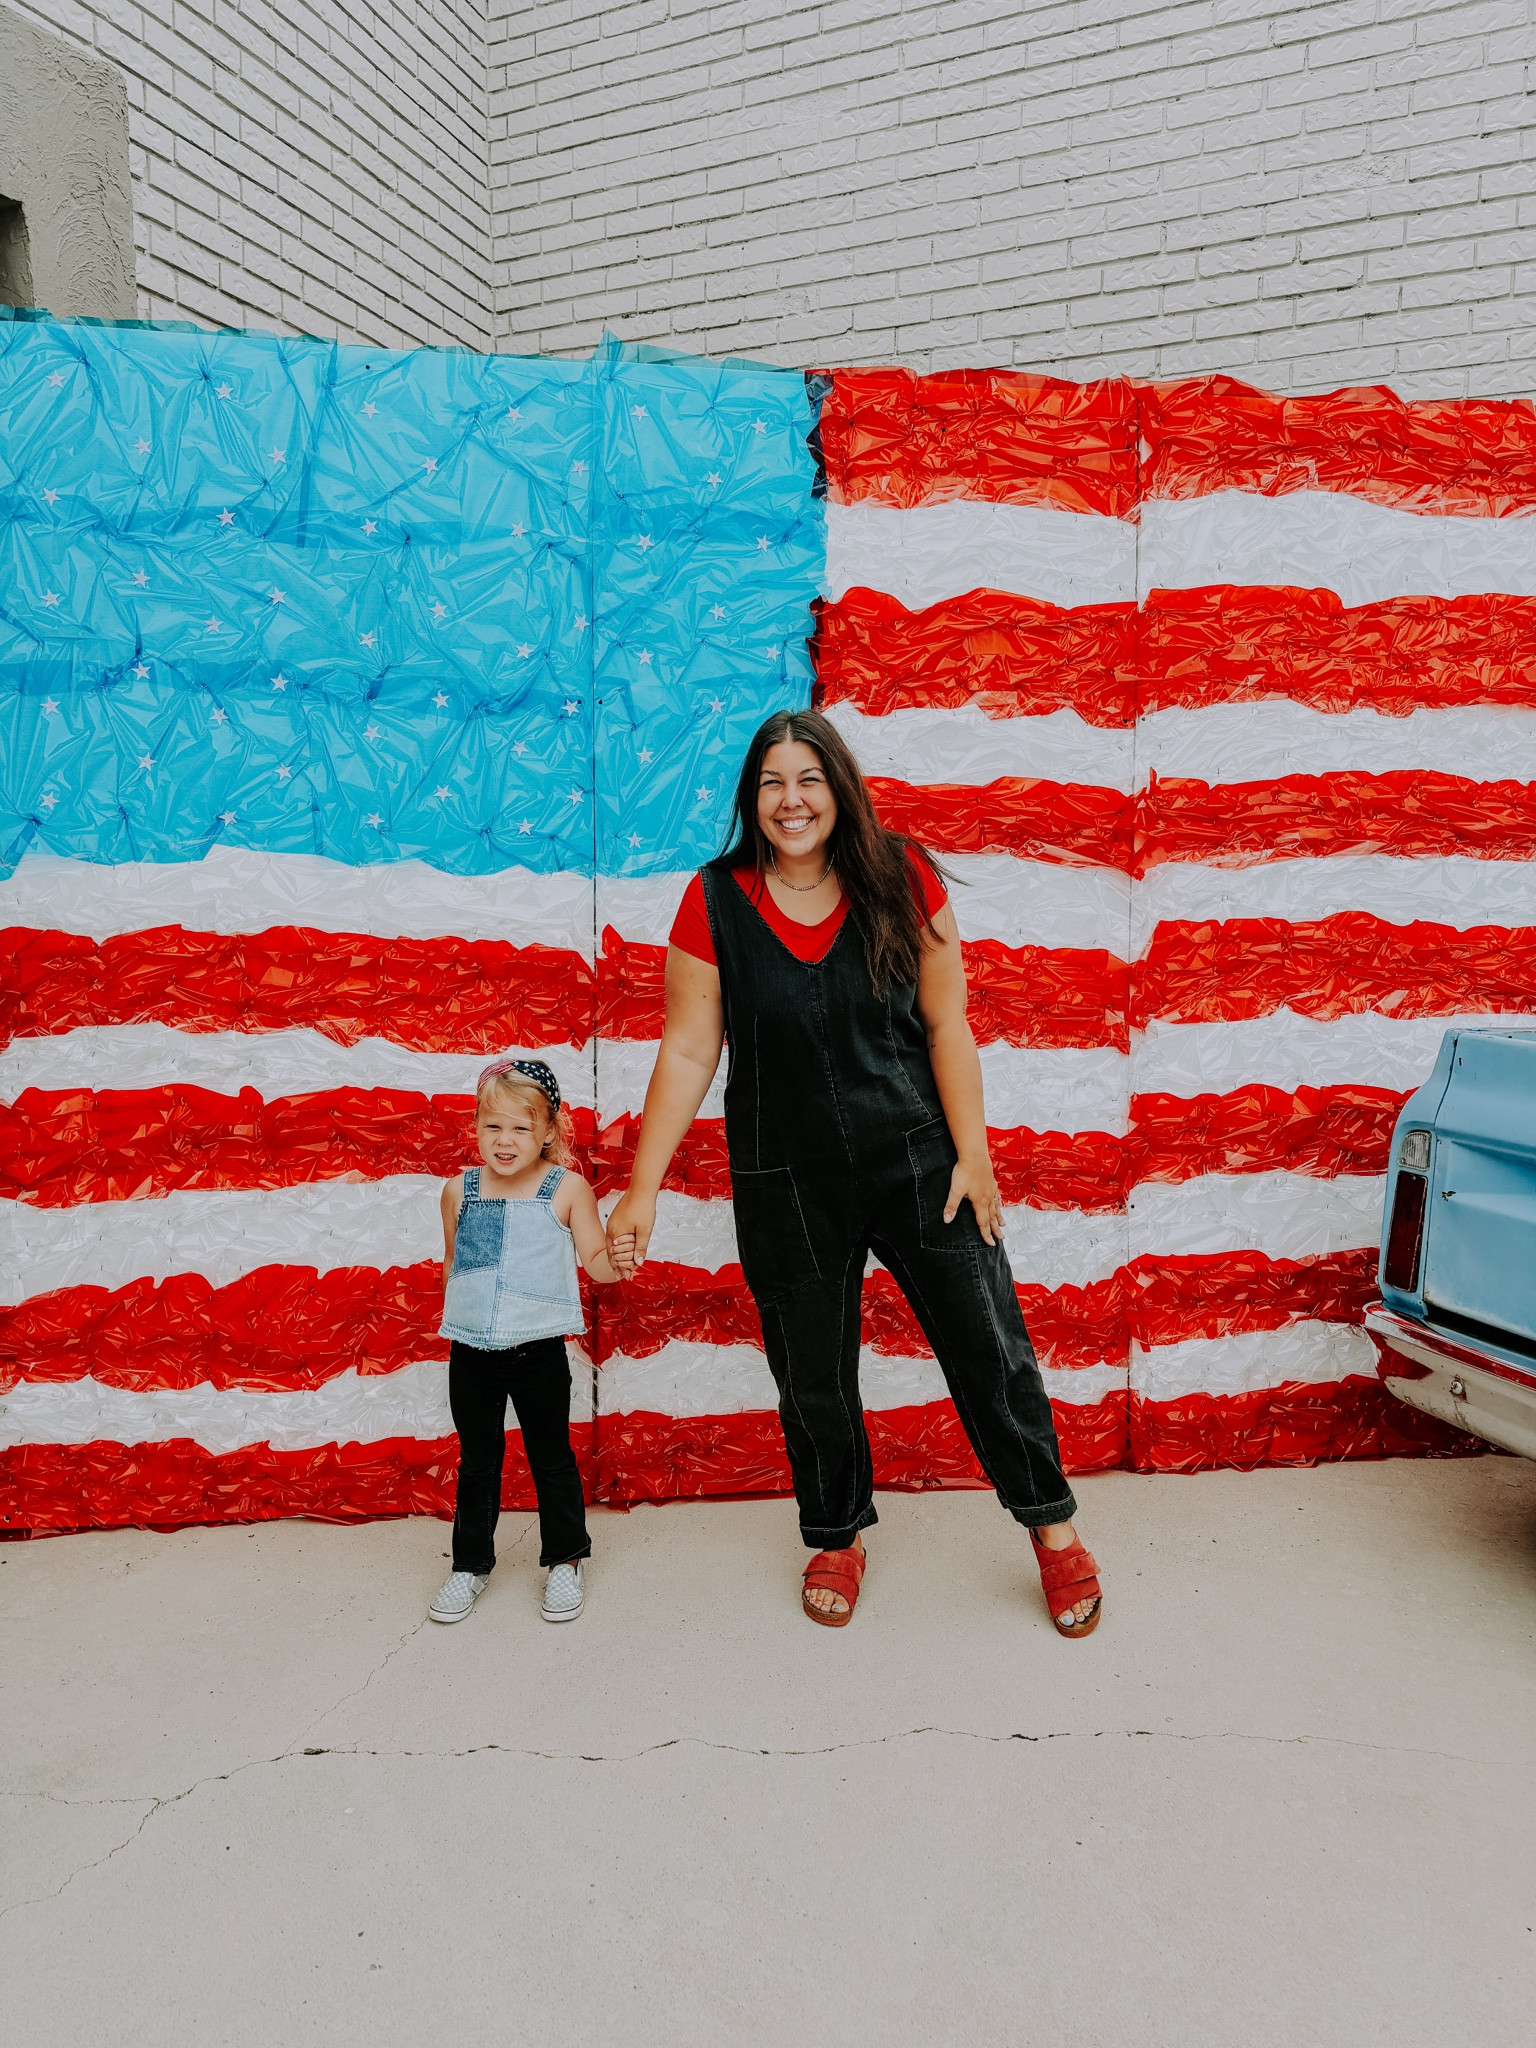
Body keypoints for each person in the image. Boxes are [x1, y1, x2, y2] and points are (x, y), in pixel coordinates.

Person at [605, 710, 1102, 1635]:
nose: (791, 801)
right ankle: (836, 1532)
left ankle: (1053, 1529)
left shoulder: (902, 875)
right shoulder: (713, 900)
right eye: (771, 784)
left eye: (809, 779)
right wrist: (642, 1189)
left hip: (918, 1161)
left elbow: (949, 1024)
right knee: (813, 1376)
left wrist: (975, 1158)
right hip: (782, 1177)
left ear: (840, 785)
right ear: (752, 799)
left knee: (991, 1352)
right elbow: (684, 1051)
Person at [429, 1058, 632, 1627]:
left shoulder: (566, 1189)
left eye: (521, 1127)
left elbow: (594, 1260)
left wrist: (617, 1262)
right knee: (478, 1462)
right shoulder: (456, 1191)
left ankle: (565, 1559)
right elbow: (452, 1264)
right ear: (475, 1126)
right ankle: (469, 1564)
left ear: (549, 1131)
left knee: (551, 1459)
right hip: (470, 1353)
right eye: (493, 1126)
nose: (505, 1140)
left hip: (537, 1351)